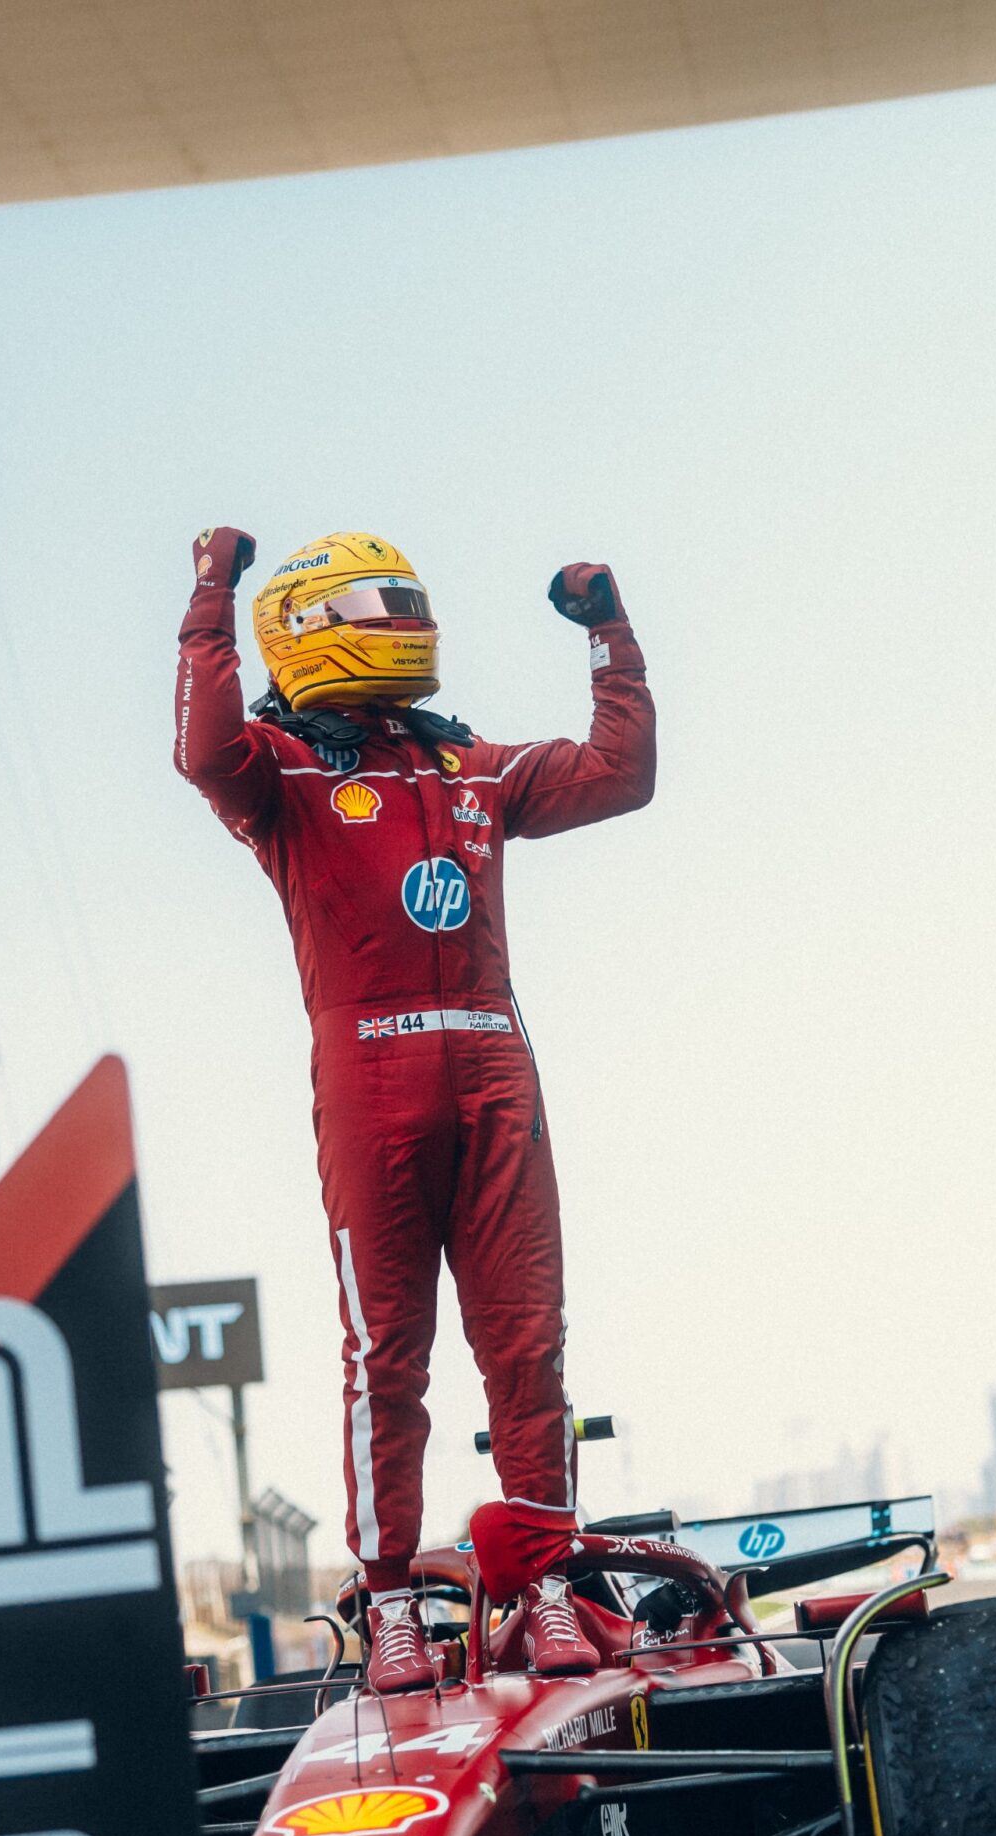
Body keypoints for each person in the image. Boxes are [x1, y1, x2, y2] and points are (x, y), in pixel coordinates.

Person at [175, 528, 655, 1691]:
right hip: (368, 1076)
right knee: (385, 1353)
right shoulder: (278, 772)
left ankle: (542, 1583)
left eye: (409, 600)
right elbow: (200, 751)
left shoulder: (469, 767)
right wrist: (210, 596)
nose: (404, 619)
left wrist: (607, 630)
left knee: (526, 1344)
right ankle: (389, 1597)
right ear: (312, 623)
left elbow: (618, 772)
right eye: (378, 603)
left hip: (495, 1066)